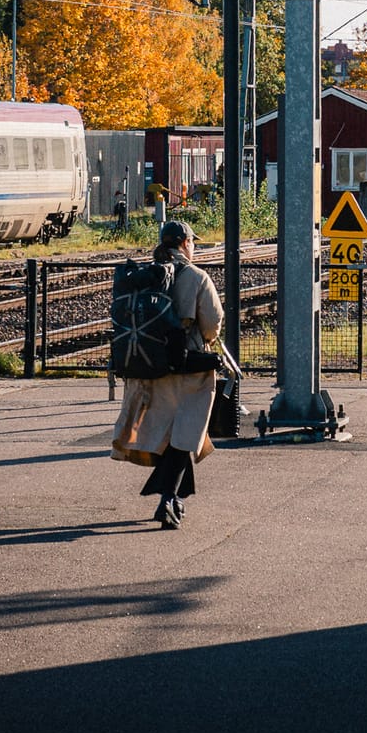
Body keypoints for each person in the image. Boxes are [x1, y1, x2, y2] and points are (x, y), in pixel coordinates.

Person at [110, 218, 224, 529]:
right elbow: (212, 322)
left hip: (146, 365)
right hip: (187, 369)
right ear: (185, 244)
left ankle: (177, 498)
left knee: (165, 434)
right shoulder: (196, 276)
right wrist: (205, 340)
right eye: (193, 242)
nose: (194, 247)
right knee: (185, 435)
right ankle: (168, 498)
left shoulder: (145, 274)